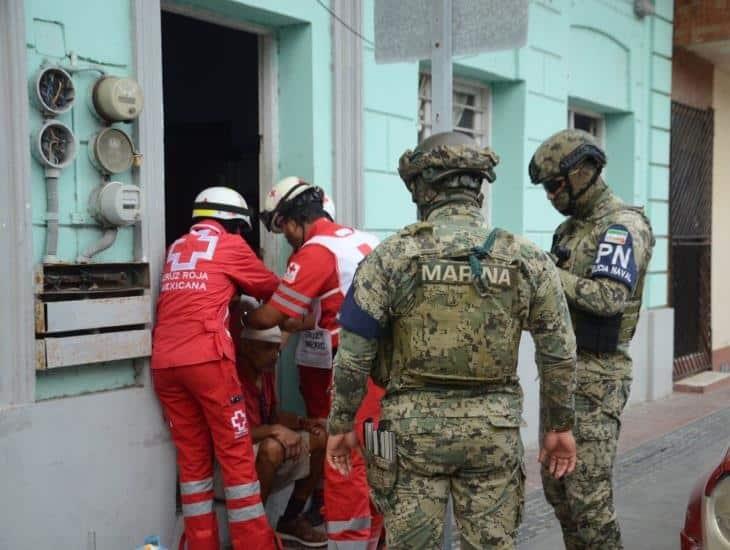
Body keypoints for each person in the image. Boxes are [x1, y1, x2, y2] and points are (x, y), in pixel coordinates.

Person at [325, 132, 579, 549]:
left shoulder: (392, 256)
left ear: (422, 187)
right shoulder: (527, 258)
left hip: (410, 435)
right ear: (477, 188)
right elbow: (559, 354)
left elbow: (353, 356)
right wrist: (559, 426)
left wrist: (340, 424)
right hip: (493, 433)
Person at [529, 129, 655, 549]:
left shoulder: (622, 226)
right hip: (561, 377)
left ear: (583, 173)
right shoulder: (567, 232)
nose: (549, 196)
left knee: (589, 499)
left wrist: (545, 273)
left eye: (554, 185)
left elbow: (609, 297)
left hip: (598, 379)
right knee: (557, 491)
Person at [246, 177, 385, 549]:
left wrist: (242, 319)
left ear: (292, 222)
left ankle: (350, 544)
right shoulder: (369, 240)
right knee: (381, 457)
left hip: (355, 372)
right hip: (391, 373)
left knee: (345, 459)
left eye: (284, 230)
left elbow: (275, 316)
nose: (287, 238)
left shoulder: (315, 251)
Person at [151, 187, 280, 550]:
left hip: (165, 363)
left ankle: (200, 545)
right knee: (236, 458)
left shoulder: (175, 247)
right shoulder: (231, 246)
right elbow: (271, 288)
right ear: (232, 223)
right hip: (207, 360)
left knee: (193, 466)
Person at [233, 307, 328, 547]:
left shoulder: (265, 373)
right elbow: (232, 434)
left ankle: (291, 519)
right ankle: (254, 530)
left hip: (267, 446)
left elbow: (273, 414)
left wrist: (301, 423)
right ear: (246, 348)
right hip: (240, 454)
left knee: (319, 437)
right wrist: (275, 431)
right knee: (273, 448)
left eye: (276, 348)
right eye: (267, 348)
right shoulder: (231, 376)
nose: (275, 355)